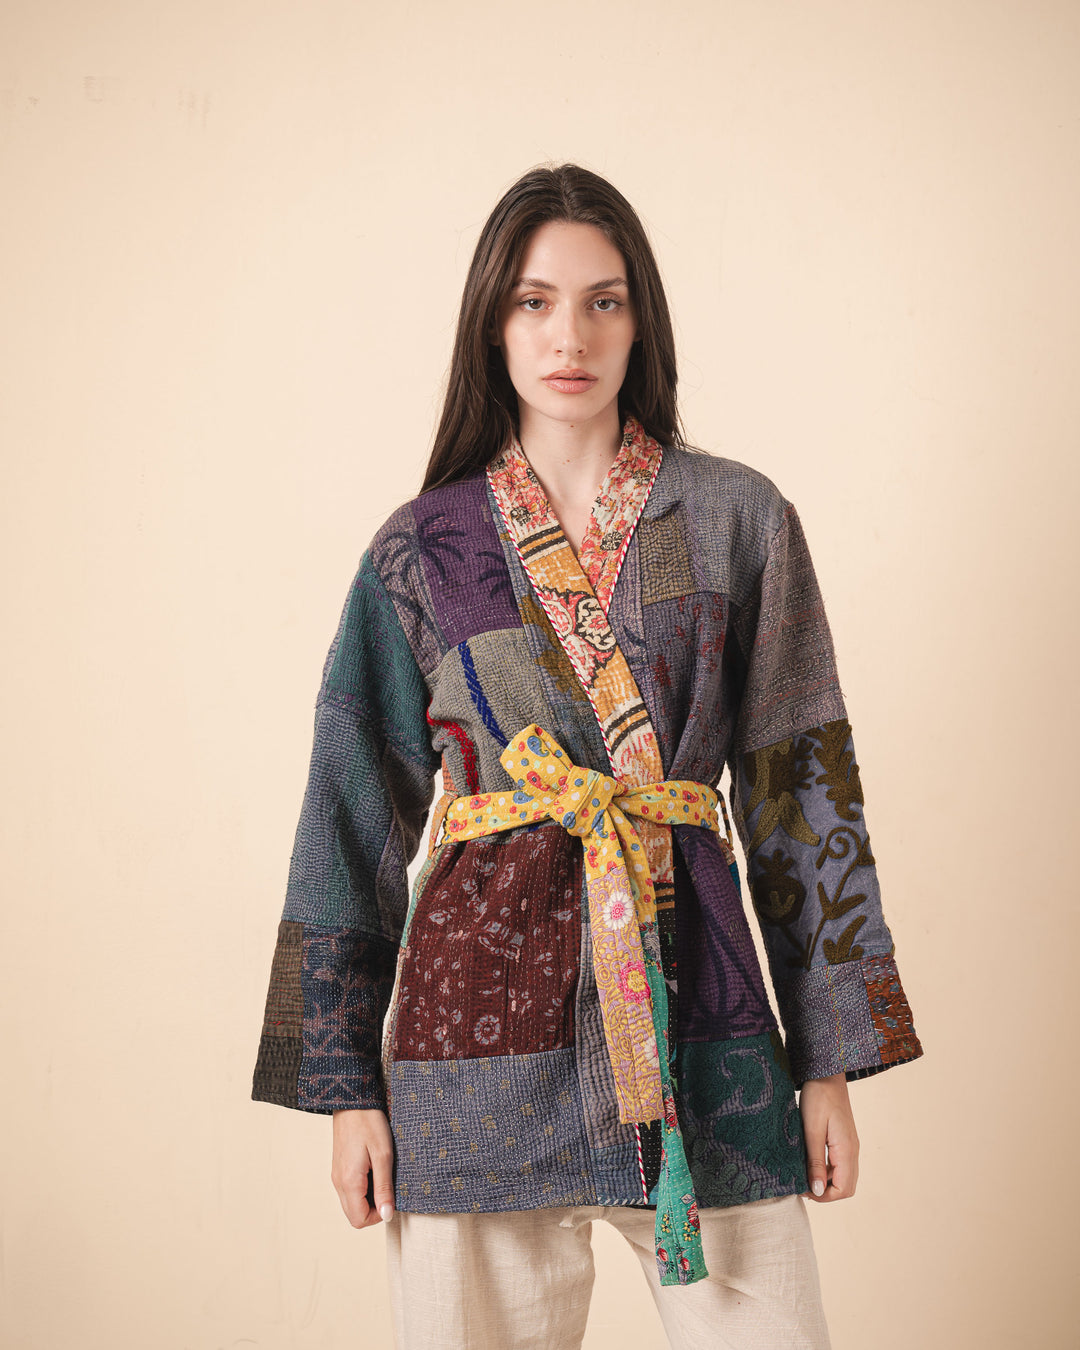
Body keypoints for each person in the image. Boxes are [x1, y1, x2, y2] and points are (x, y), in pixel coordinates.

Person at [251, 162, 923, 1349]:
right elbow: (349, 810)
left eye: (604, 302)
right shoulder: (422, 548)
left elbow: (801, 791)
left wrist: (827, 1064)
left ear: (640, 320)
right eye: (535, 302)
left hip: (702, 1020)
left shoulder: (738, 518)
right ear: (492, 323)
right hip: (471, 1045)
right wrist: (346, 1086)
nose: (570, 336)